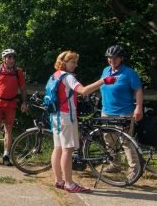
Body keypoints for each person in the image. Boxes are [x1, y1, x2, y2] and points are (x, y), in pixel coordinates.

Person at [49, 50, 105, 193]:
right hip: (67, 116)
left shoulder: (55, 75)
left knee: (58, 148)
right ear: (64, 62)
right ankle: (69, 183)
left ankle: (59, 180)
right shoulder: (68, 77)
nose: (75, 65)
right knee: (67, 149)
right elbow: (84, 91)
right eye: (73, 62)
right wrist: (103, 81)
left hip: (55, 116)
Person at [99, 44, 144, 177]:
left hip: (124, 111)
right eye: (110, 58)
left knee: (126, 141)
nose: (112, 60)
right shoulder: (106, 70)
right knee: (109, 139)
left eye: (115, 58)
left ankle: (134, 169)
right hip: (106, 111)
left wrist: (139, 107)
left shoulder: (129, 73)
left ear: (121, 58)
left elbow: (138, 90)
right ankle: (115, 164)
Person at [0, 48, 29, 165]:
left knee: (8, 129)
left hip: (11, 104)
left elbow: (23, 88)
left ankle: (6, 155)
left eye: (13, 57)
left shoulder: (18, 72)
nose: (11, 59)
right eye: (9, 57)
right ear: (3, 59)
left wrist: (24, 102)